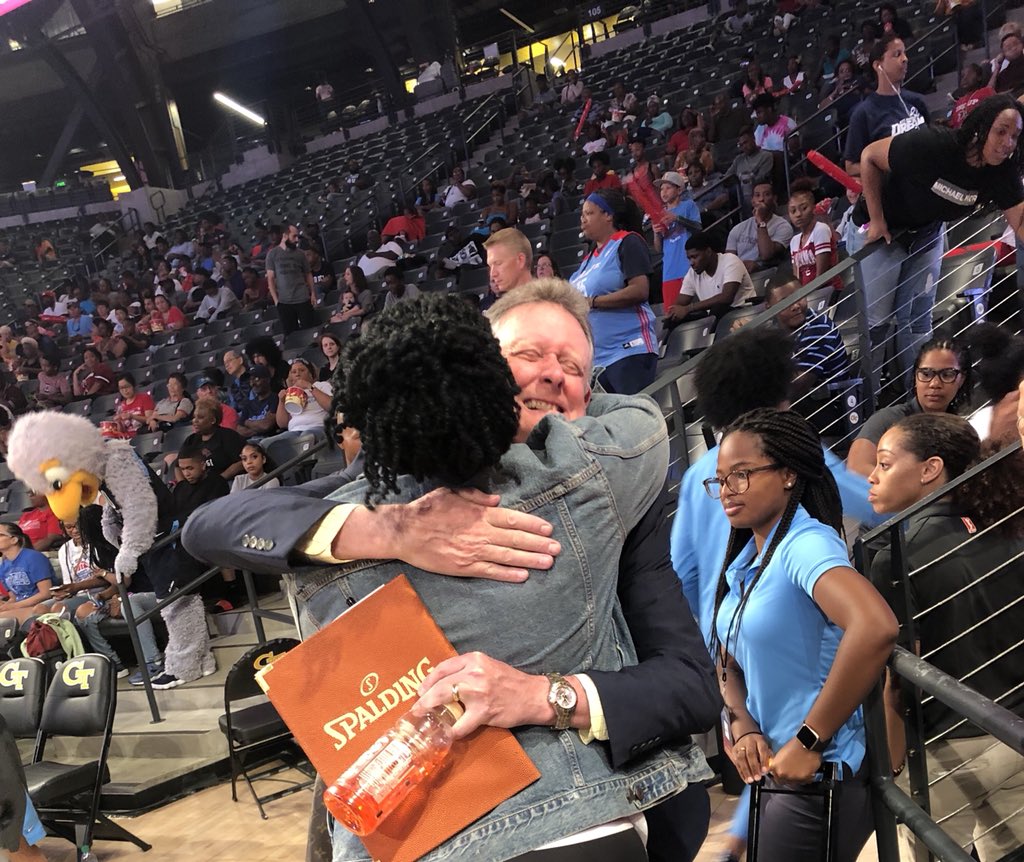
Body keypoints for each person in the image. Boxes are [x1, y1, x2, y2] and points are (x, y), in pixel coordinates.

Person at [184, 287, 719, 861]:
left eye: (574, 367)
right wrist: (392, 530)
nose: (553, 375)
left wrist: (546, 697)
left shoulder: (615, 499)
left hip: (576, 810)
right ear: (475, 361)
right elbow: (209, 524)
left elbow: (690, 686)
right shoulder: (376, 493)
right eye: (530, 354)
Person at [711, 408, 898, 861]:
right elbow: (727, 662)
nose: (726, 492)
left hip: (819, 773)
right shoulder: (748, 559)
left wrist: (809, 738)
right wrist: (742, 722)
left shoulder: (805, 544)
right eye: (719, 480)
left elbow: (876, 626)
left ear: (789, 474)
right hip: (779, 771)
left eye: (742, 475)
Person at [867, 413, 1024, 860]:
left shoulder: (893, 555)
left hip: (946, 753)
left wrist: (893, 764)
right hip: (1015, 734)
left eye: (884, 463)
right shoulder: (1006, 523)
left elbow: (899, 675)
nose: (872, 477)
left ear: (930, 468)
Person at [858, 95, 1024, 385]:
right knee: (878, 325)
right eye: (1001, 131)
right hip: (885, 232)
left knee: (920, 318)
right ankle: (868, 401)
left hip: (927, 231)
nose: (1008, 142)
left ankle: (917, 397)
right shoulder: (933, 145)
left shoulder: (1002, 171)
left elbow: (1020, 223)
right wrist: (877, 220)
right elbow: (870, 155)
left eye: (1015, 135)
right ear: (981, 127)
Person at [569, 189, 657, 394]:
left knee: (634, 422)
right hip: (597, 360)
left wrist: (593, 302)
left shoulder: (627, 242)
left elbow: (640, 290)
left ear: (608, 215)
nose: (583, 219)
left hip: (628, 351)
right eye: (582, 215)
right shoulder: (587, 260)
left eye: (589, 213)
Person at [148, 444, 220, 690]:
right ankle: (204, 660)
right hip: (183, 544)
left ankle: (186, 665)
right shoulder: (179, 490)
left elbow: (209, 514)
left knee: (181, 607)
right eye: (182, 468)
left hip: (206, 539)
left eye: (191, 467)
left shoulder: (217, 483)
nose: (187, 472)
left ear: (203, 464)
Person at [847, 337, 971, 476]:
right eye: (926, 374)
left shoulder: (961, 430)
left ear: (962, 379)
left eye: (947, 375)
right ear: (915, 377)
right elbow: (856, 468)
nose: (935, 383)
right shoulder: (887, 419)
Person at [843, 32, 928, 178]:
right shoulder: (864, 113)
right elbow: (851, 167)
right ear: (878, 65)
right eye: (897, 54)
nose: (905, 59)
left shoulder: (917, 101)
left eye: (905, 53)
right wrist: (889, 165)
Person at [666, 232, 755, 324]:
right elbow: (680, 303)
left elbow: (726, 298)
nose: (691, 263)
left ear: (708, 252)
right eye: (689, 258)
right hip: (714, 318)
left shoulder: (730, 260)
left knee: (718, 309)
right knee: (673, 320)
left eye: (695, 257)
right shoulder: (692, 273)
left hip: (742, 312)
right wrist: (674, 312)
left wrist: (689, 308)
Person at [652, 172, 702, 308]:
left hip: (689, 266)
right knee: (672, 312)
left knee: (696, 309)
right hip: (669, 271)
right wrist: (656, 233)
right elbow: (658, 249)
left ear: (679, 190)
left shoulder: (688, 205)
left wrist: (677, 218)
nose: (663, 192)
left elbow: (698, 228)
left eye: (668, 187)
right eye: (661, 189)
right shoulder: (659, 214)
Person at [787, 180, 843, 291]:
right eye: (793, 211)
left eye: (803, 208)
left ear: (813, 208)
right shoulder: (794, 241)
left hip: (828, 291)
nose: (798, 214)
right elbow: (797, 277)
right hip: (808, 295)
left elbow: (821, 276)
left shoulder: (820, 230)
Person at [726, 181, 793, 273]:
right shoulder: (738, 228)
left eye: (766, 194)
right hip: (740, 273)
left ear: (774, 199)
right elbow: (729, 261)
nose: (761, 199)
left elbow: (766, 254)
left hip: (767, 273)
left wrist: (760, 221)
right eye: (757, 195)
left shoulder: (783, 226)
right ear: (752, 201)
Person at [266, 224, 318, 335]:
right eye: (294, 236)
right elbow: (270, 279)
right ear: (285, 235)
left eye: (297, 237)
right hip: (284, 301)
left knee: (309, 331)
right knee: (290, 334)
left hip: (302, 298)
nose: (297, 240)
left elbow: (308, 274)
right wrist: (276, 300)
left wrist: (313, 293)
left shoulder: (300, 254)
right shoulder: (272, 254)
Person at [177, 399, 245, 482]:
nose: (195, 421)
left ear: (213, 420)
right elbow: (177, 466)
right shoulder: (191, 440)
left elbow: (241, 462)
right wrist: (182, 486)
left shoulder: (229, 436)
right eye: (194, 417)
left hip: (227, 483)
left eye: (200, 417)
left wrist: (218, 480)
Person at [0, 524, 53, 625]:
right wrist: (5, 606)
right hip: (21, 606)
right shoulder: (3, 566)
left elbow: (46, 593)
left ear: (14, 540)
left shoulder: (33, 557)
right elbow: (14, 597)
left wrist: (14, 606)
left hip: (41, 605)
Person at [483, 227, 534, 309]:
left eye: (498, 263)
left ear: (520, 260)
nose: (492, 274)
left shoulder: (550, 306)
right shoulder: (499, 313)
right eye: (490, 266)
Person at [236, 365, 279, 439]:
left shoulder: (275, 398)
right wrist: (258, 429)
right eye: (250, 380)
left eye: (256, 379)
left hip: (270, 439)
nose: (252, 383)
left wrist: (247, 422)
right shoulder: (248, 404)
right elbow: (239, 429)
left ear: (267, 379)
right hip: (251, 442)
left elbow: (266, 425)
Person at [113, 373, 155, 437]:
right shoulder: (121, 406)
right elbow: (121, 431)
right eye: (121, 388)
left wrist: (132, 416)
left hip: (142, 435)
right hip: (126, 439)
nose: (125, 391)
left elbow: (150, 419)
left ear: (133, 385)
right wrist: (118, 422)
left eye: (127, 386)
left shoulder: (144, 398)